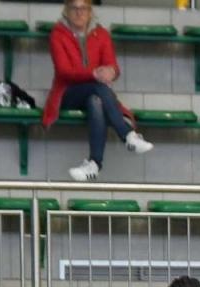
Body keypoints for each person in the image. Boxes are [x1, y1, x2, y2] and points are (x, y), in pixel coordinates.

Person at [44, 0, 152, 182]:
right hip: (68, 92)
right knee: (97, 87)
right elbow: (64, 72)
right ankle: (127, 134)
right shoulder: (58, 34)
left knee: (96, 100)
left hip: (96, 91)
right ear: (66, 11)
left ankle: (94, 163)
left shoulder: (101, 34)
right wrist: (94, 73)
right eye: (74, 8)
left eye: (83, 8)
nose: (79, 13)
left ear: (90, 11)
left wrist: (111, 72)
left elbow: (113, 66)